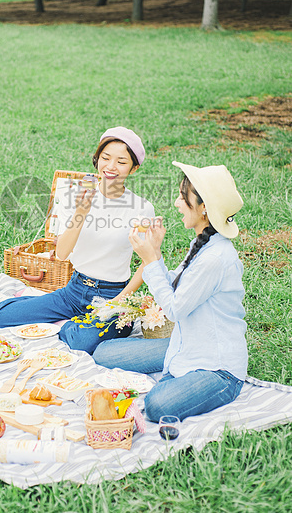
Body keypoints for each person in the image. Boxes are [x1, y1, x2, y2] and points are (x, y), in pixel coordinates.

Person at [93, 161, 247, 422]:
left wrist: (150, 261)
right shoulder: (202, 244)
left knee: (157, 405)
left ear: (203, 209)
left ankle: (175, 380)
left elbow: (174, 309)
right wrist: (155, 252)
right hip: (186, 345)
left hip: (217, 369)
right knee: (103, 353)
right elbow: (174, 285)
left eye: (182, 197)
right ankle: (173, 371)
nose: (176, 203)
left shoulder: (216, 258)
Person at [0, 126, 155, 354]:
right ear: (97, 160)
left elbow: (149, 260)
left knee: (83, 343)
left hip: (111, 294)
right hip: (74, 290)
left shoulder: (142, 208)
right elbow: (62, 254)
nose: (111, 167)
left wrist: (119, 301)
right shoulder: (76, 197)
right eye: (106, 158)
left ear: (134, 168)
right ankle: (65, 317)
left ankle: (66, 325)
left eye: (121, 162)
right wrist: (81, 212)